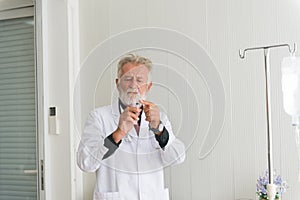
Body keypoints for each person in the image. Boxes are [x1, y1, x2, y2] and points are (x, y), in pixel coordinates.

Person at [77, 54, 185, 200]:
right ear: (117, 83)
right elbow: (85, 163)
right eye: (128, 79)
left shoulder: (160, 119)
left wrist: (159, 130)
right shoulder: (99, 117)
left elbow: (177, 158)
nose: (134, 85)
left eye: (140, 80)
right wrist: (118, 133)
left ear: (148, 86)